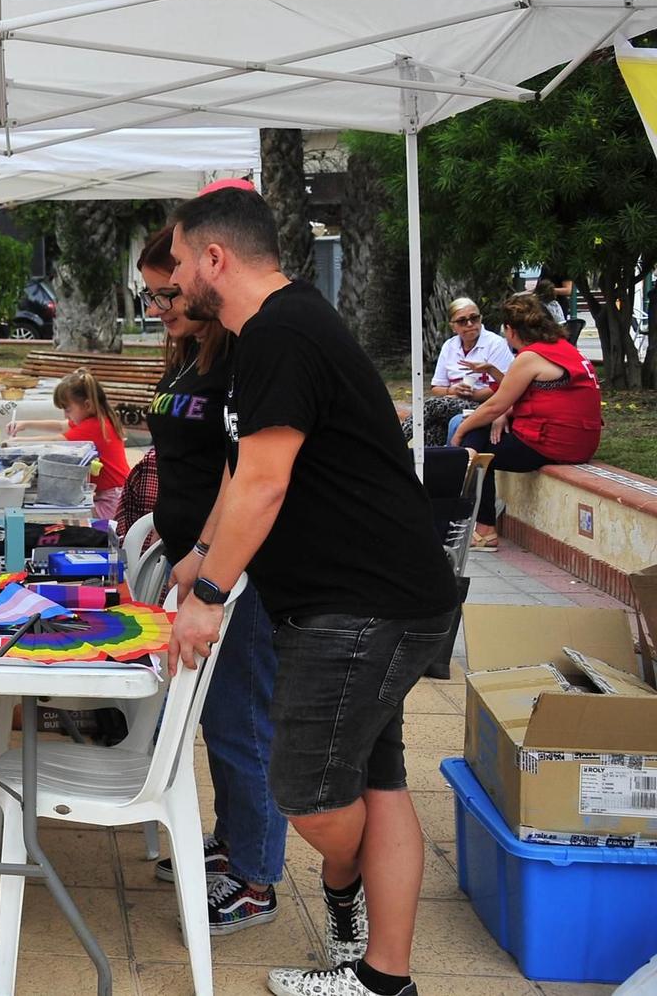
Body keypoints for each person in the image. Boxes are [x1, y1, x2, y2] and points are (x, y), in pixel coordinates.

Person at [167, 186, 457, 996]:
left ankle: (342, 887)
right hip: (373, 600)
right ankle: (383, 978)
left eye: (184, 260)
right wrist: (198, 553)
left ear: (216, 258)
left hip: (362, 608)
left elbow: (264, 485)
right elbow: (238, 465)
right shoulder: (265, 333)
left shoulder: (281, 333)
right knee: (378, 781)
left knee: (306, 794)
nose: (178, 277)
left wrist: (210, 595)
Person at [136, 224, 285, 935]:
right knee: (216, 716)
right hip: (197, 560)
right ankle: (234, 843)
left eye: (169, 290)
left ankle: (256, 878)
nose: (161, 305)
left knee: (240, 721)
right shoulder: (192, 354)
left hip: (234, 570)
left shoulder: (240, 360)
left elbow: (245, 472)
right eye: (152, 295)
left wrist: (206, 552)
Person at [453, 293, 602, 548]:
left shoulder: (530, 357)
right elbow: (530, 398)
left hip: (553, 444)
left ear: (510, 331)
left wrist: (459, 434)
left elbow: (494, 405)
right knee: (480, 434)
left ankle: (483, 526)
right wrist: (503, 413)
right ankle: (463, 488)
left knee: (474, 442)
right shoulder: (565, 349)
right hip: (581, 441)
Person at [11, 368, 130, 519]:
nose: (66, 415)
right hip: (114, 493)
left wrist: (17, 443)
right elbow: (61, 426)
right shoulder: (97, 419)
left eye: (67, 409)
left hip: (113, 499)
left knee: (67, 519)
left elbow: (56, 441)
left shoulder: (94, 427)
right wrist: (26, 424)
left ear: (87, 405)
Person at [422, 298, 512, 444]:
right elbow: (437, 388)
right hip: (454, 401)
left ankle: (396, 442)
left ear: (480, 319)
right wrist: (452, 391)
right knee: (433, 428)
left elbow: (506, 386)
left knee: (431, 405)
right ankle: (431, 464)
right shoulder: (449, 346)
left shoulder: (495, 344)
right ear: (453, 326)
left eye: (474, 318)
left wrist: (473, 395)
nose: (470, 324)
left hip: (485, 404)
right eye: (462, 321)